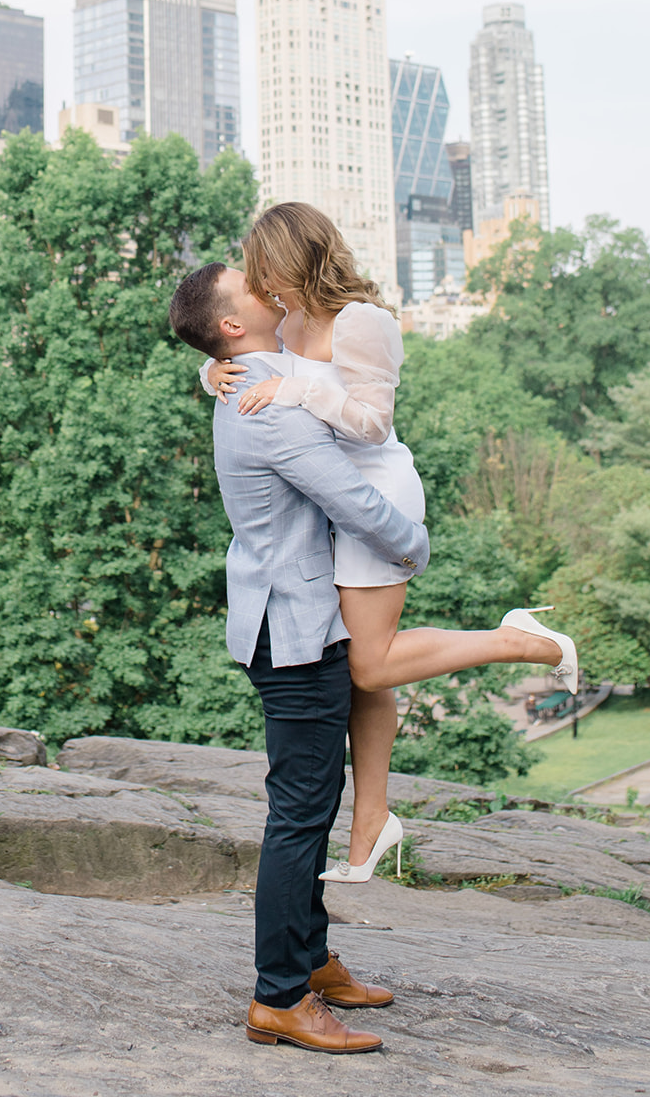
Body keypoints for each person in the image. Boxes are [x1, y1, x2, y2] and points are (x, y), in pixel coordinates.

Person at [202, 201, 577, 884]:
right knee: (356, 662)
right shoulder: (286, 320)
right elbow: (254, 364)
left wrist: (295, 390)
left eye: (264, 268)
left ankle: (516, 641)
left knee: (369, 667)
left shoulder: (363, 322)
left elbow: (371, 425)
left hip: (375, 493)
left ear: (295, 258)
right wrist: (212, 372)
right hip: (332, 500)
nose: (259, 284)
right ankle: (370, 822)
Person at [170, 260, 430, 1055]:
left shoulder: (247, 373)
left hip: (286, 618)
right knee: (300, 815)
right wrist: (414, 546)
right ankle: (279, 996)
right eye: (253, 285)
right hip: (293, 632)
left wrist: (206, 366)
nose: (270, 287)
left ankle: (311, 961)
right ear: (233, 326)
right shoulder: (268, 410)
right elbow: (351, 502)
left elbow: (294, 367)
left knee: (307, 804)